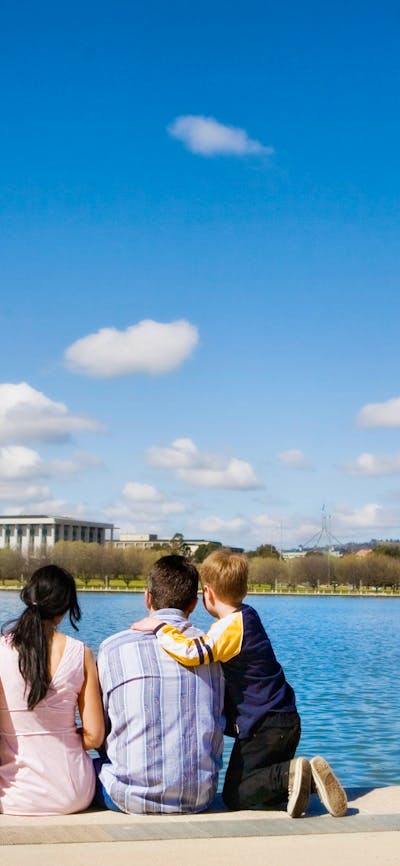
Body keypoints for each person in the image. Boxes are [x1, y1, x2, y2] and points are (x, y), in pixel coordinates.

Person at [133, 550, 347, 818]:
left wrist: (160, 628)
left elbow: (192, 652)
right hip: (283, 719)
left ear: (208, 593)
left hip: (265, 724)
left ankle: (297, 774)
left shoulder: (231, 628)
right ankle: (302, 780)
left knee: (236, 793)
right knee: (259, 785)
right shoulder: (248, 616)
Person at [95, 554, 225, 814]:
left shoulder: (113, 648)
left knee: (81, 766)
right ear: (194, 604)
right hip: (200, 797)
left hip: (128, 798)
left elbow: (101, 730)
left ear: (148, 598)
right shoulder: (213, 650)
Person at [0, 565, 105, 815]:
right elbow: (95, 737)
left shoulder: (1, 651)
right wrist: (62, 735)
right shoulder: (81, 654)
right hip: (72, 793)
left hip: (13, 794)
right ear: (66, 607)